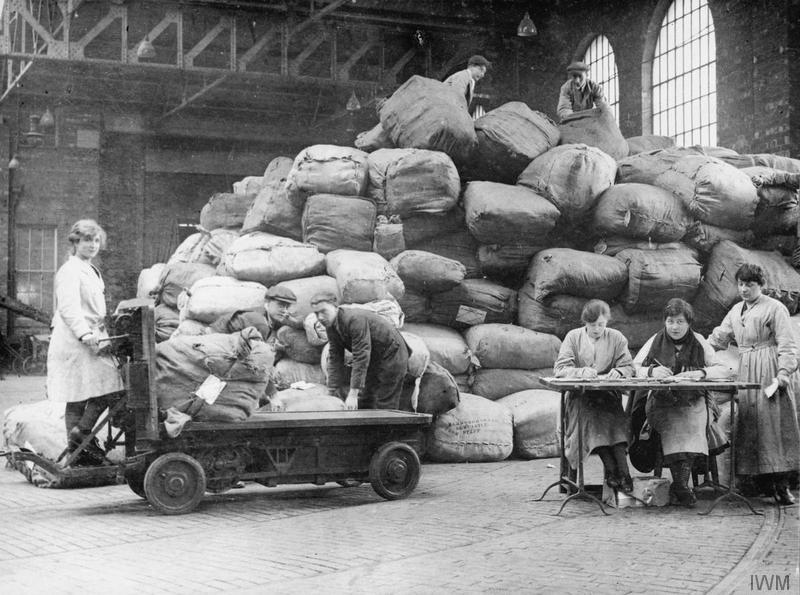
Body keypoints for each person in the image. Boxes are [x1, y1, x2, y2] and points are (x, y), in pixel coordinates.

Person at [708, 264, 800, 505]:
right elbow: (719, 337)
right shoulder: (736, 310)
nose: (744, 289)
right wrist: (698, 349)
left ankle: (782, 486)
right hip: (746, 369)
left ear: (761, 285)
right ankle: (757, 484)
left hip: (769, 369)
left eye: (750, 284)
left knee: (773, 428)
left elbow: (788, 344)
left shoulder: (775, 308)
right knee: (750, 426)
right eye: (741, 284)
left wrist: (783, 373)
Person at [632, 299, 733, 507]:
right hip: (662, 403)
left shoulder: (699, 342)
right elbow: (633, 367)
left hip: (693, 402)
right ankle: (681, 483)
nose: (675, 327)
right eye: (670, 321)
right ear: (664, 322)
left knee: (693, 421)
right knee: (674, 422)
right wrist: (652, 371)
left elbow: (724, 369)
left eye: (680, 322)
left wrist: (701, 372)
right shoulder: (655, 340)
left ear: (689, 323)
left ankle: (680, 482)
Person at [46, 219, 124, 465]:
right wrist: (85, 335)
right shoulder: (70, 270)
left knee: (85, 392)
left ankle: (80, 445)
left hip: (86, 338)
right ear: (75, 242)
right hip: (74, 341)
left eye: (96, 240)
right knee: (108, 386)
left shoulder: (89, 269)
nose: (93, 245)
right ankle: (81, 442)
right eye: (87, 240)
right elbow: (68, 308)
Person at [554, 299, 635, 492]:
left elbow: (629, 366)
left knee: (615, 419)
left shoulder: (616, 337)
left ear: (606, 322)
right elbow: (560, 368)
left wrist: (620, 372)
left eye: (601, 324)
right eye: (592, 325)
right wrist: (580, 372)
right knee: (591, 419)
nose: (597, 329)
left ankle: (621, 472)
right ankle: (614, 469)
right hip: (579, 398)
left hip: (607, 396)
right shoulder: (573, 337)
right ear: (585, 323)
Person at [311, 292, 409, 410]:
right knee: (365, 398)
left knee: (384, 401)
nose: (320, 317)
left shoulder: (354, 319)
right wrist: (332, 391)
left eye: (323, 311)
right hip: (375, 357)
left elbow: (361, 356)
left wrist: (352, 394)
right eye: (316, 313)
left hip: (393, 354)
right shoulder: (331, 326)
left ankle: (385, 428)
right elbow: (335, 357)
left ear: (336, 307)